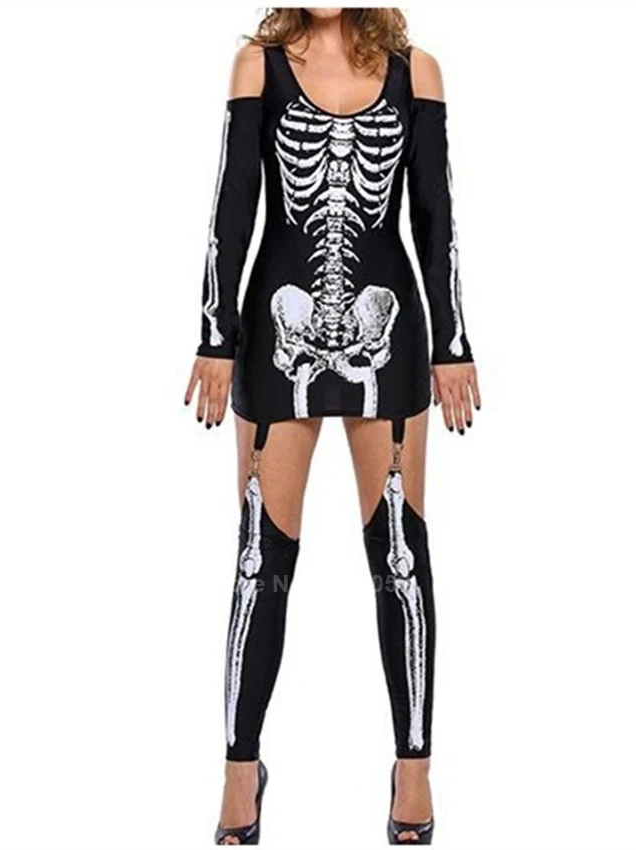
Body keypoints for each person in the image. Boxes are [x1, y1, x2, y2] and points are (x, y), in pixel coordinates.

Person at [184, 8, 480, 844]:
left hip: (388, 336)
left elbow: (435, 216)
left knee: (400, 554)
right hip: (280, 335)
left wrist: (452, 344)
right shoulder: (259, 64)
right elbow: (233, 205)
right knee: (259, 558)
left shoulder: (417, 71)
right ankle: (240, 767)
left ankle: (414, 767)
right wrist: (214, 336)